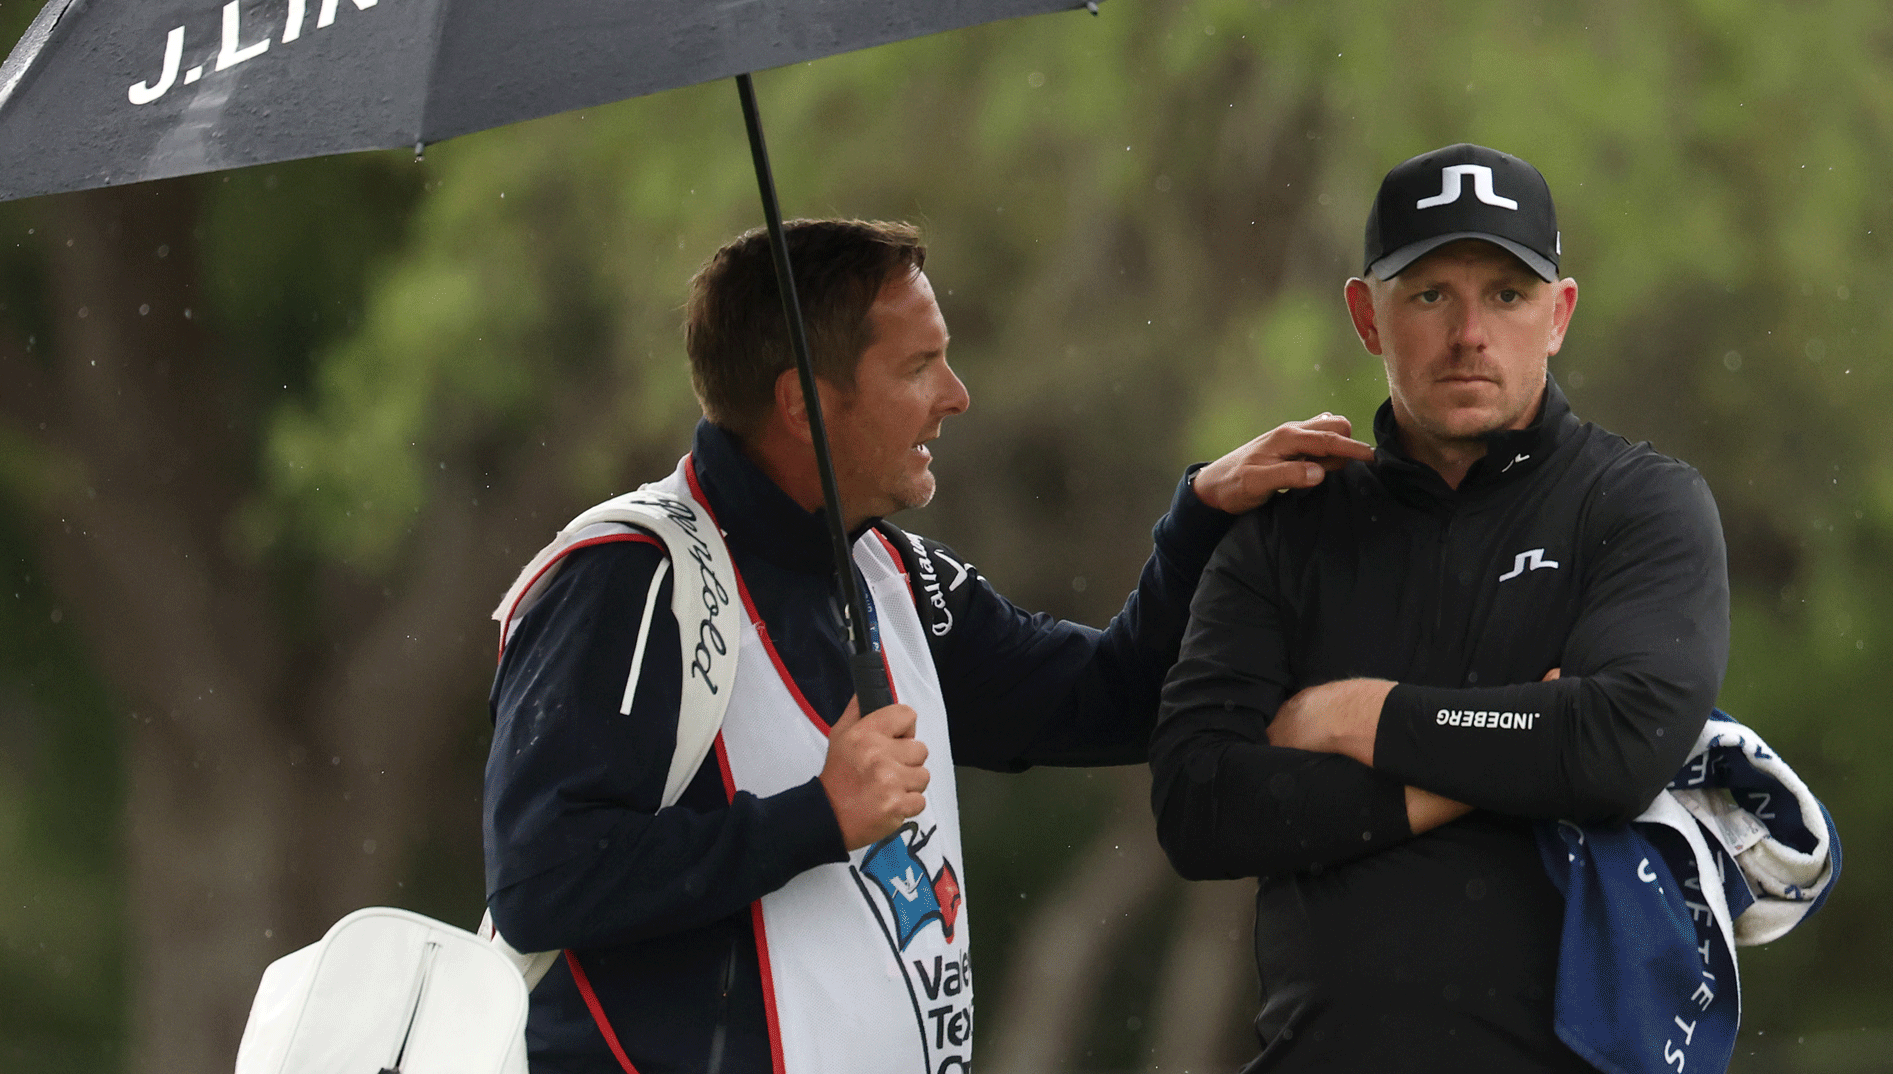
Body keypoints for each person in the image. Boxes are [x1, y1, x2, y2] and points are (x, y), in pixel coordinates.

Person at [483, 218, 1371, 1074]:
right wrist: (815, 819)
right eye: (919, 366)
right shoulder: (629, 576)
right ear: (801, 402)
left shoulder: (892, 571)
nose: (957, 394)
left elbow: (1113, 701)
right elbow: (540, 883)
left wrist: (1200, 520)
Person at [1148, 144, 1731, 1071]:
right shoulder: (1287, 528)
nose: (1470, 332)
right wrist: (1509, 750)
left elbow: (1617, 746)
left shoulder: (1640, 502)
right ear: (1365, 316)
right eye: (1429, 295)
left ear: (1559, 315)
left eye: (1507, 294)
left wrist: (1355, 715)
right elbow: (1200, 805)